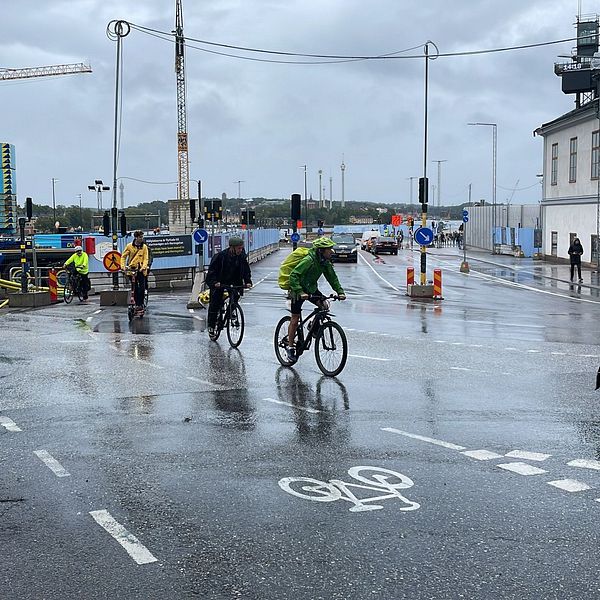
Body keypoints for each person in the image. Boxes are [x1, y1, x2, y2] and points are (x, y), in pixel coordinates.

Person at [286, 237, 346, 361]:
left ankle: (312, 326)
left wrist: (340, 292)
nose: (331, 251)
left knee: (324, 305)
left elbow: (332, 278)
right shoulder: (309, 260)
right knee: (295, 318)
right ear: (321, 251)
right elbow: (294, 275)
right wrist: (300, 291)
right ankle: (290, 347)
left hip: (311, 289)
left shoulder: (324, 262)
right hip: (297, 291)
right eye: (329, 249)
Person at [205, 236, 252, 337]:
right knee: (215, 303)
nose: (241, 250)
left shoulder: (241, 257)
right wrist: (214, 283)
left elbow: (246, 270)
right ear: (232, 248)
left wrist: (248, 281)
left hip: (234, 281)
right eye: (239, 248)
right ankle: (211, 326)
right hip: (219, 282)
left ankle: (232, 309)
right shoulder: (220, 256)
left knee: (236, 295)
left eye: (241, 248)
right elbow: (211, 272)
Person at [120, 230, 149, 313]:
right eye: (140, 237)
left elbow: (145, 258)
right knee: (134, 287)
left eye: (142, 237)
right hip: (132, 270)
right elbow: (123, 257)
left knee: (142, 288)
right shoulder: (129, 246)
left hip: (141, 270)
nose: (142, 239)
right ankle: (137, 304)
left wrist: (143, 267)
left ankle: (140, 304)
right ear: (136, 237)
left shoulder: (144, 247)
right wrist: (123, 266)